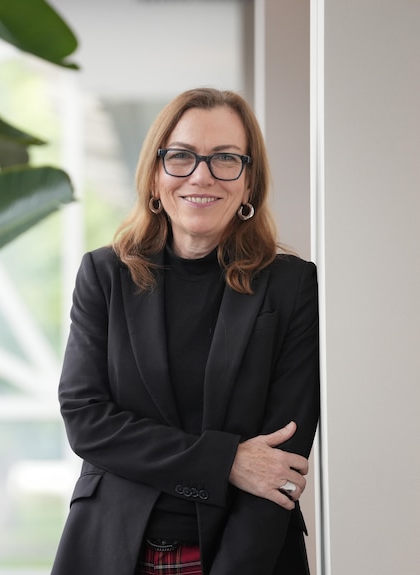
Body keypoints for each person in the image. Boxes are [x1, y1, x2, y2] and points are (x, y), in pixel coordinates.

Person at [50, 87, 319, 575]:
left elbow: (281, 464)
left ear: (248, 181)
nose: (202, 175)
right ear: (155, 177)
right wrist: (225, 461)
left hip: (246, 554)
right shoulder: (104, 276)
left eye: (225, 159)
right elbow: (87, 420)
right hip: (110, 547)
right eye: (181, 157)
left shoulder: (292, 286)